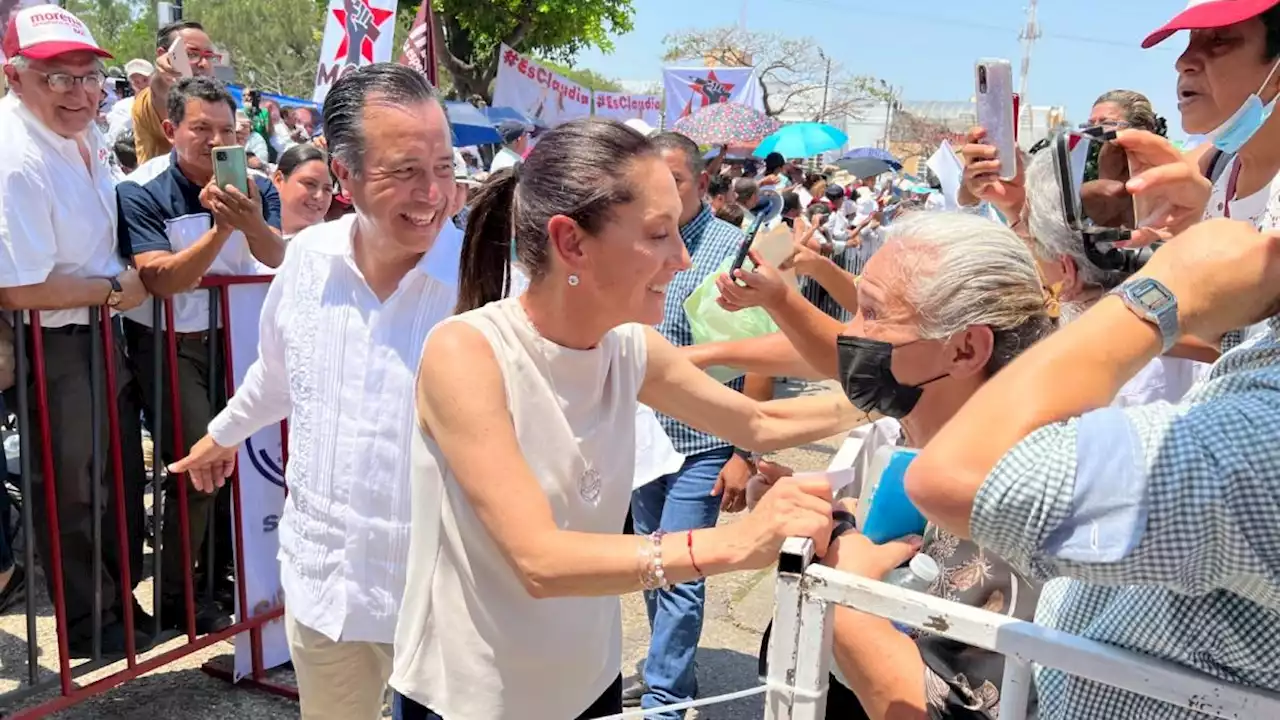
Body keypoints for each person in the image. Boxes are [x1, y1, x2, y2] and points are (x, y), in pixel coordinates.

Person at [388, 117, 863, 720]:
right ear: (572, 244)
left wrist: (888, 395)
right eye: (659, 234)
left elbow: (756, 423)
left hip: (587, 682)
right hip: (470, 696)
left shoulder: (629, 346)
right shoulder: (468, 352)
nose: (682, 257)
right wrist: (737, 542)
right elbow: (539, 559)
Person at [168, 63, 466, 720]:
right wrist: (222, 434)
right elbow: (278, 376)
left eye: (444, 167)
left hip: (448, 600)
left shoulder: (488, 283)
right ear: (345, 174)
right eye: (404, 170)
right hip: (326, 586)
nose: (432, 192)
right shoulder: (306, 262)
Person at [718, 211, 1055, 720]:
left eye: (870, 314)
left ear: (965, 348)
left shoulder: (1015, 496)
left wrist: (839, 586)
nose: (848, 335)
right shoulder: (931, 433)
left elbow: (957, 709)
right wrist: (835, 519)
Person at [0, 3, 151, 657]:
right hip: (52, 340)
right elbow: (20, 286)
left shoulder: (82, 137)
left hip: (93, 332)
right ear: (15, 77)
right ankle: (91, 622)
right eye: (57, 77)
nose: (80, 91)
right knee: (73, 488)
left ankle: (117, 604)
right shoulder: (15, 157)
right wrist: (119, 289)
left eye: (87, 75)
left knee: (115, 478)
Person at [116, 76, 284, 634]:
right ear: (171, 130)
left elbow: (276, 254)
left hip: (237, 341)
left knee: (234, 466)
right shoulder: (139, 189)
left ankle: (213, 586)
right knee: (198, 466)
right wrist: (218, 233)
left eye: (226, 128)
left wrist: (249, 216)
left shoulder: (256, 184)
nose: (216, 140)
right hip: (170, 344)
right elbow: (161, 280)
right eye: (201, 129)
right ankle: (174, 596)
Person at [131, 21, 219, 164]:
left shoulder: (218, 102)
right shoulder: (146, 100)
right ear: (163, 55)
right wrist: (161, 77)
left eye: (208, 55)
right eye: (191, 54)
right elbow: (161, 94)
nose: (204, 64)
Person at [273, 144, 334, 239]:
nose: (319, 196)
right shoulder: (248, 231)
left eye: (327, 189)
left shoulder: (335, 245)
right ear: (279, 180)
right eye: (310, 183)